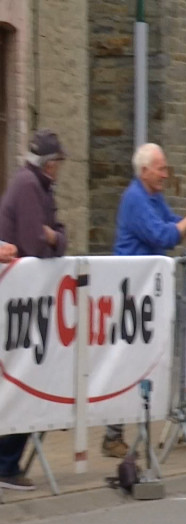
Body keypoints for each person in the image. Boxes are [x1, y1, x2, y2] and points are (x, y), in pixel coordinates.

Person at [105, 143, 186, 457]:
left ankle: (127, 431)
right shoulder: (136, 199)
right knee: (127, 362)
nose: (166, 174)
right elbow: (163, 236)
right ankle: (113, 434)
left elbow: (172, 225)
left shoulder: (154, 196)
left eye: (166, 168)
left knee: (141, 361)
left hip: (147, 292)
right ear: (144, 171)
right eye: (161, 168)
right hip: (130, 293)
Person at [0, 129, 68, 490]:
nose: (60, 170)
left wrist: (55, 237)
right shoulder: (29, 186)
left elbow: (56, 234)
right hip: (21, 300)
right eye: (58, 163)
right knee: (24, 379)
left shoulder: (38, 185)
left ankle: (9, 460)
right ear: (50, 164)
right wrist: (53, 239)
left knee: (30, 377)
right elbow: (34, 243)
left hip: (29, 298)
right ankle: (6, 462)